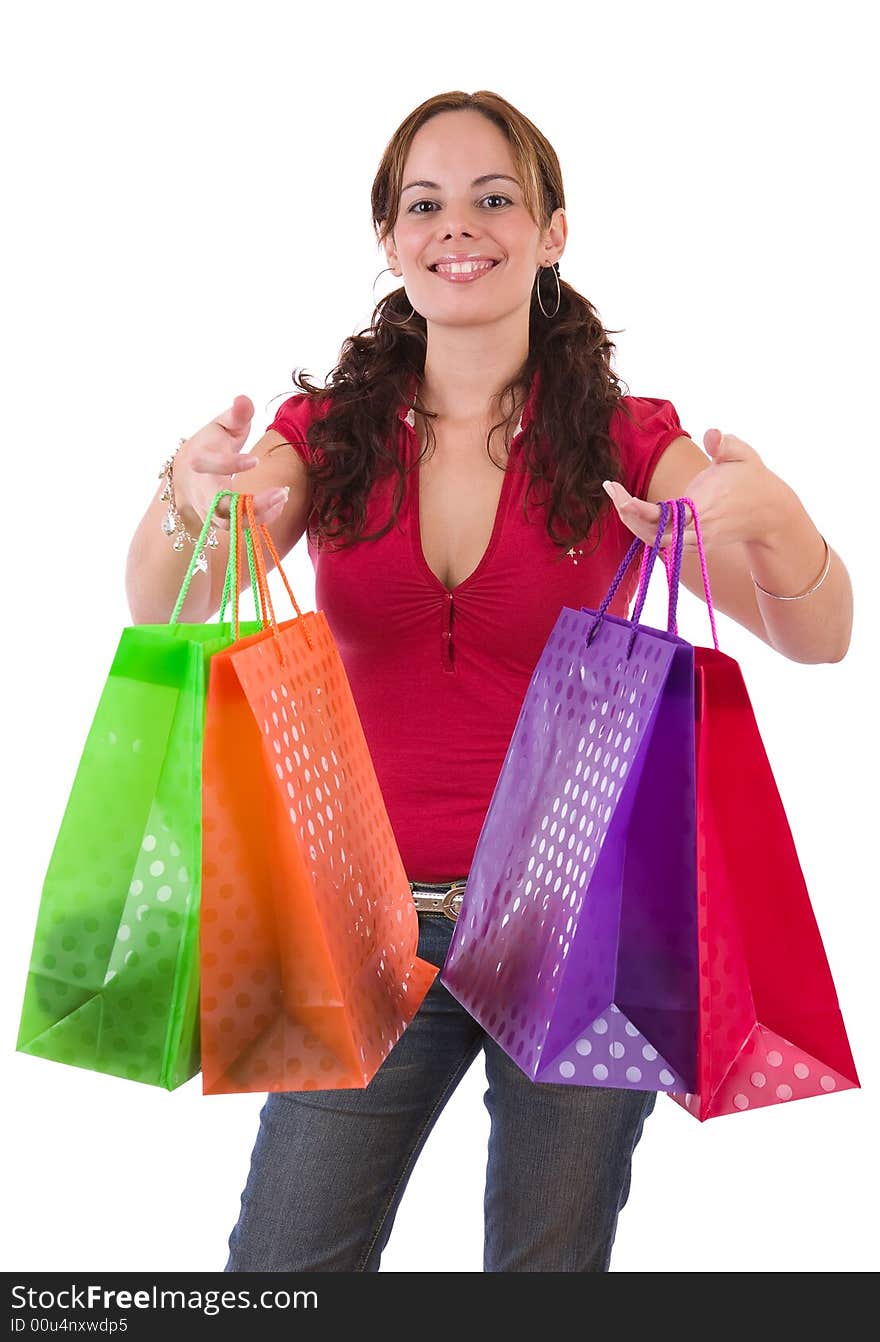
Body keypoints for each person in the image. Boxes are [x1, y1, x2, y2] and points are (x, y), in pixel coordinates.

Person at [125, 91, 849, 1272]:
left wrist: (772, 520)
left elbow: (817, 636)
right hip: (366, 930)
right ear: (392, 239)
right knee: (281, 1271)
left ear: (552, 230)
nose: (458, 226)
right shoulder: (327, 435)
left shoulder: (622, 438)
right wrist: (185, 491)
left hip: (579, 934)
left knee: (545, 1275)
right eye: (424, 204)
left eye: (493, 197)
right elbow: (167, 601)